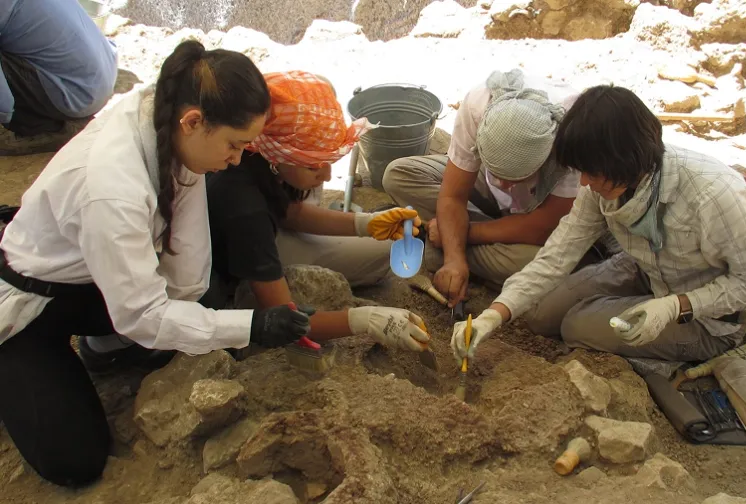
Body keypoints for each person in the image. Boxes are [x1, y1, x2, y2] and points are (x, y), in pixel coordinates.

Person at [0, 40, 315, 488]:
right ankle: (22, 363)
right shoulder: (112, 188)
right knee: (75, 462)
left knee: (202, 306)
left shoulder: (169, 116)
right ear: (194, 122)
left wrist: (209, 319)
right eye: (235, 144)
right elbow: (144, 316)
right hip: (34, 299)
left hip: (91, 272)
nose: (239, 158)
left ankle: (101, 344)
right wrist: (252, 326)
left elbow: (187, 272)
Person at [450, 85, 746, 365]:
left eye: (593, 173)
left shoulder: (714, 193)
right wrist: (493, 315)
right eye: (582, 172)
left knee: (577, 327)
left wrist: (675, 307)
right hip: (646, 268)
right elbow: (557, 255)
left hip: (711, 317)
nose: (586, 183)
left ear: (626, 159)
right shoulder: (601, 184)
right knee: (539, 314)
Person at [203, 70, 430, 350]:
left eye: (328, 160)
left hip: (268, 232)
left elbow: (291, 213)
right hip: (239, 265)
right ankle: (245, 295)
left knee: (390, 247)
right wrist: (363, 320)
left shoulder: (264, 153)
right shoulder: (244, 206)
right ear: (279, 158)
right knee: (376, 258)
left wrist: (367, 223)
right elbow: (287, 323)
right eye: (313, 164)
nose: (326, 175)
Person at [383, 69, 612, 307]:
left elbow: (544, 227)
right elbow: (452, 196)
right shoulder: (478, 105)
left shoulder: (574, 136)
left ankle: (438, 243)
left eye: (514, 178)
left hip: (543, 221)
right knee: (399, 175)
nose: (503, 185)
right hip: (494, 193)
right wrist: (454, 259)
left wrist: (463, 233)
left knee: (555, 265)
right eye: (499, 175)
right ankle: (466, 246)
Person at [0, 0, 118, 155]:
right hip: (99, 75)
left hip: (74, 93)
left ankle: (34, 128)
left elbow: (4, 104)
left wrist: (4, 119)